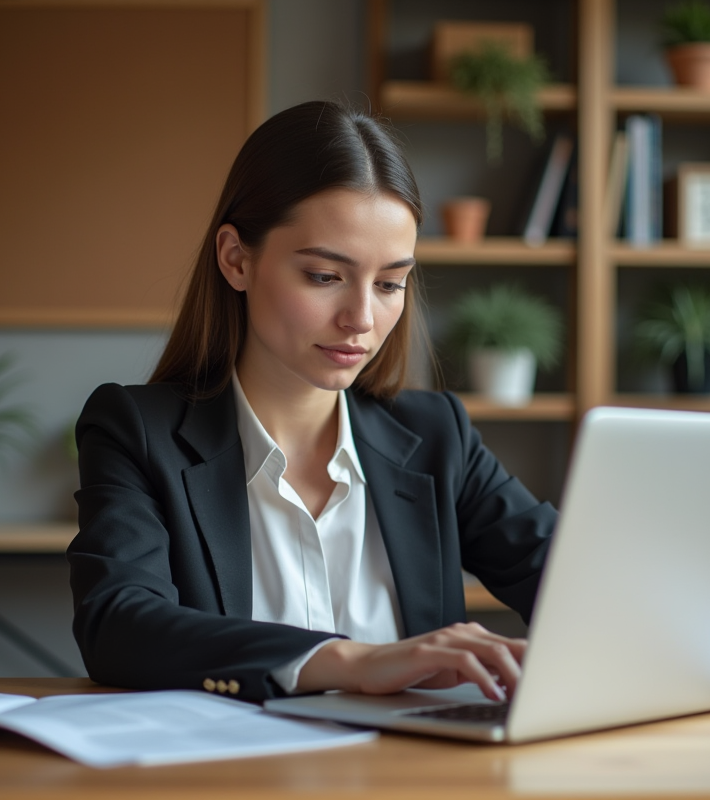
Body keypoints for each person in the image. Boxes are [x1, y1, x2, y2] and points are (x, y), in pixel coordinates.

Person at [68, 100, 556, 705]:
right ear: (236, 259)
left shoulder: (437, 436)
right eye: (325, 276)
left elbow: (573, 578)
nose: (361, 319)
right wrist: (347, 660)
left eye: (389, 284)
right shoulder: (137, 431)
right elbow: (116, 624)